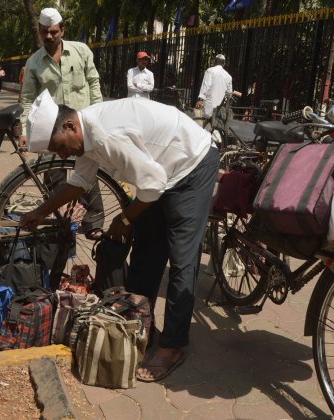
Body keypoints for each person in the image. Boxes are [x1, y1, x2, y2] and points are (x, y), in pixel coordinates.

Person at [20, 91, 219, 383]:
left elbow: (152, 185)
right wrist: (41, 211)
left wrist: (125, 218)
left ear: (70, 127)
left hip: (191, 166)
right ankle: (140, 327)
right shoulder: (84, 135)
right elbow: (80, 182)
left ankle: (172, 346)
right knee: (145, 253)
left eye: (59, 147)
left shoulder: (106, 136)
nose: (62, 155)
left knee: (182, 259)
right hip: (160, 173)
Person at [19, 7, 104, 247]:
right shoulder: (34, 63)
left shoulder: (81, 51)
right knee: (54, 175)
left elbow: (94, 83)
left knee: (89, 172)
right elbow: (27, 99)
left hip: (81, 127)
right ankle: (60, 221)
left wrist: (99, 114)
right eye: (44, 32)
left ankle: (94, 224)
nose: (48, 37)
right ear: (39, 31)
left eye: (53, 32)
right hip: (54, 132)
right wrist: (24, 131)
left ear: (62, 31)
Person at [195, 54, 233, 118]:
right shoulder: (229, 76)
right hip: (220, 109)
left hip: (209, 107)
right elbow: (229, 93)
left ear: (214, 62)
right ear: (224, 64)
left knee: (204, 125)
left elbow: (206, 86)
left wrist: (200, 99)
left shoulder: (210, 71)